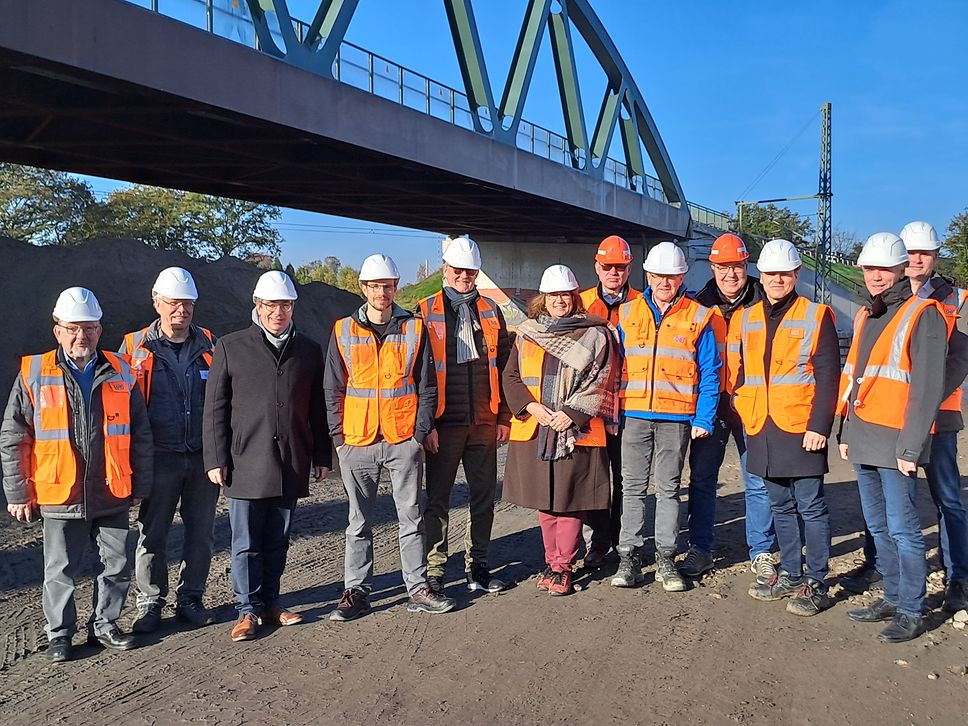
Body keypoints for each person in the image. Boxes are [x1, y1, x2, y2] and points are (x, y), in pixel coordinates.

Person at [1, 288, 153, 662]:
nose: (80, 336)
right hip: (60, 490)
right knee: (60, 570)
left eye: (88, 328)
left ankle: (105, 624)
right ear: (57, 330)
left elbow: (140, 434)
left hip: (111, 486)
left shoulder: (121, 370)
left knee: (116, 564)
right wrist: (18, 492)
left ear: (100, 330)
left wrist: (140, 483)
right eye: (72, 328)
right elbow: (14, 435)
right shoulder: (34, 373)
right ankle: (61, 635)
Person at [325, 254, 455, 621]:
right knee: (357, 522)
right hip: (357, 440)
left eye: (388, 285)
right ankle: (356, 591)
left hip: (402, 440)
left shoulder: (414, 327)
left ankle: (417, 589)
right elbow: (332, 388)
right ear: (363, 288)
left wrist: (419, 433)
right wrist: (340, 439)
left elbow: (428, 386)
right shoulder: (342, 330)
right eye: (375, 286)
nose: (382, 292)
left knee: (411, 517)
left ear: (395, 287)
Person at [203, 271, 332, 642]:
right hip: (245, 460)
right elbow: (215, 408)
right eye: (271, 305)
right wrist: (215, 458)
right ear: (257, 307)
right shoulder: (230, 346)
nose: (279, 312)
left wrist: (321, 454)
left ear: (293, 308)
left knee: (278, 538)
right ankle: (247, 610)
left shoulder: (308, 349)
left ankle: (272, 602)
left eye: (286, 305)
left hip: (290, 459)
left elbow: (316, 410)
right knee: (246, 542)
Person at [837, 233, 948, 643]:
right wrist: (845, 429)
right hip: (865, 435)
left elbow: (926, 388)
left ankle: (911, 608)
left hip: (897, 440)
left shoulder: (924, 314)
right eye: (870, 268)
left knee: (903, 528)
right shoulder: (868, 315)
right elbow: (854, 378)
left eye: (884, 268)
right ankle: (891, 594)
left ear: (902, 269)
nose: (876, 276)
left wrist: (912, 446)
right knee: (878, 526)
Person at [728, 240, 839, 616]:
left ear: (795, 274)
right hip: (761, 425)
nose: (777, 279)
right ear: (763, 275)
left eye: (784, 273)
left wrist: (820, 425)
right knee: (780, 505)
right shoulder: (747, 317)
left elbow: (828, 377)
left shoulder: (816, 314)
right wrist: (740, 404)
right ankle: (791, 573)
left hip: (801, 427)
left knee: (810, 505)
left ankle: (817, 580)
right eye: (771, 273)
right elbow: (743, 372)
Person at [502, 265, 621, 596]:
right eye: (553, 295)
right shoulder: (528, 333)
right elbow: (511, 376)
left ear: (575, 297)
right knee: (546, 501)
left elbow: (603, 379)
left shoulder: (596, 334)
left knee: (570, 501)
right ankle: (553, 562)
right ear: (543, 298)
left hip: (577, 432)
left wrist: (570, 414)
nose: (559, 300)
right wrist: (531, 406)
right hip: (538, 429)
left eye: (565, 295)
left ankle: (563, 568)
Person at [611, 242, 723, 592]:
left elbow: (710, 371)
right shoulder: (627, 314)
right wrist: (612, 412)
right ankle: (628, 557)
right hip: (634, 415)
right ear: (648, 275)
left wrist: (704, 418)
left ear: (682, 276)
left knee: (669, 490)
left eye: (672, 276)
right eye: (659, 275)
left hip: (676, 418)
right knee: (631, 489)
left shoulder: (698, 315)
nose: (664, 282)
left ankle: (665, 558)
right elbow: (613, 369)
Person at [122, 268, 218, 633]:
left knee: (201, 533)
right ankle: (150, 602)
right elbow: (122, 407)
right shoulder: (134, 347)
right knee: (152, 532)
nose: (181, 309)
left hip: (200, 457)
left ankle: (191, 598)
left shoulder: (210, 343)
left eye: (188, 302)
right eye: (174, 302)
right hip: (158, 457)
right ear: (157, 302)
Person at [417, 237, 512, 593]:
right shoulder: (424, 312)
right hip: (443, 424)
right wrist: (425, 425)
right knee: (438, 500)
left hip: (484, 422)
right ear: (445, 270)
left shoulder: (490, 310)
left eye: (470, 271)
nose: (464, 277)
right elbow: (418, 373)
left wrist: (503, 416)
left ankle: (479, 565)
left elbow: (504, 365)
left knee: (483, 498)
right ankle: (436, 567)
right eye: (458, 270)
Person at [686, 233, 777, 582]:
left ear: (746, 265)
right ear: (712, 267)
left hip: (751, 405)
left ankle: (762, 551)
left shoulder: (765, 300)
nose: (730, 274)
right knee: (702, 479)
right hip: (711, 404)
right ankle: (701, 549)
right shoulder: (698, 305)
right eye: (723, 267)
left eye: (736, 266)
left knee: (757, 481)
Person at [900, 221, 968, 613]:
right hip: (894, 417)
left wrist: (925, 403)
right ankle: (884, 565)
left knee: (948, 499)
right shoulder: (890, 298)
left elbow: (960, 360)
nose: (916, 260)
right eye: (910, 253)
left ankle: (958, 574)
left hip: (939, 418)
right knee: (895, 497)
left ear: (935, 256)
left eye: (923, 253)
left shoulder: (956, 300)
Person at [578, 236, 641, 568]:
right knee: (595, 475)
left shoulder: (644, 304)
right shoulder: (581, 302)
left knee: (625, 477)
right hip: (592, 406)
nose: (614, 273)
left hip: (630, 404)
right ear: (597, 267)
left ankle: (624, 541)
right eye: (607, 267)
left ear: (629, 267)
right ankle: (597, 542)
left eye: (620, 267)